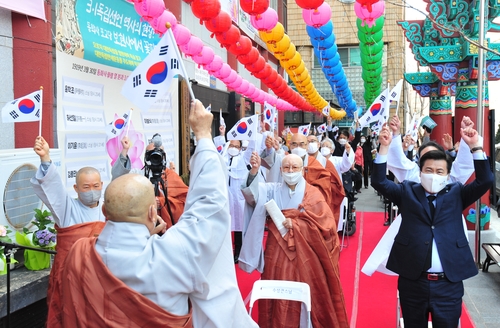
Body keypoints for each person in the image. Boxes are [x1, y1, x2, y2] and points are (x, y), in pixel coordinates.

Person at [60, 100, 258, 328]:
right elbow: (209, 205)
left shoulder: (80, 255)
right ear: (152, 211)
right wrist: (203, 136)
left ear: (104, 211)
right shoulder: (172, 254)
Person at [371, 124, 492, 328]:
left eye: (439, 171)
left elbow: (485, 180)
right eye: (428, 170)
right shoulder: (407, 192)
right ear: (420, 172)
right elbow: (379, 181)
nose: (433, 175)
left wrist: (476, 147)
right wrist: (384, 148)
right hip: (413, 282)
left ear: (447, 175)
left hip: (448, 285)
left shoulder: (457, 193)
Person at [240, 152, 349, 328]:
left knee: (303, 292)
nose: (290, 171)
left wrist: (297, 225)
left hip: (305, 254)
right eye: (286, 167)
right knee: (277, 292)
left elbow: (327, 227)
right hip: (277, 251)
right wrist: (254, 171)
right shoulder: (271, 189)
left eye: (295, 167)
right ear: (281, 170)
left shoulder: (313, 194)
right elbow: (252, 197)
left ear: (302, 170)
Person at [31, 136, 106, 328]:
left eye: (96, 186)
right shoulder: (67, 209)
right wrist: (45, 158)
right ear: (76, 188)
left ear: (102, 185)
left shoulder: (108, 210)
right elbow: (53, 189)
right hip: (71, 278)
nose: (92, 191)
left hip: (102, 279)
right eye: (86, 187)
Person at [260, 132, 345, 224]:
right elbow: (271, 161)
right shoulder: (283, 159)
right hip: (283, 209)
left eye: (301, 144)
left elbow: (325, 188)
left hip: (306, 211)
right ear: (289, 145)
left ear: (307, 146)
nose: (298, 147)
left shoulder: (317, 163)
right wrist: (269, 149)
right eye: (294, 144)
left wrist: (309, 199)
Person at [112, 134, 188, 229]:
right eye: (151, 154)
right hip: (143, 227)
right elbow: (117, 181)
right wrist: (124, 151)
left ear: (163, 157)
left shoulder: (171, 176)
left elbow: (185, 203)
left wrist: (161, 201)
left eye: (158, 154)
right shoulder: (138, 175)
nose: (155, 157)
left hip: (168, 229)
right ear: (146, 157)